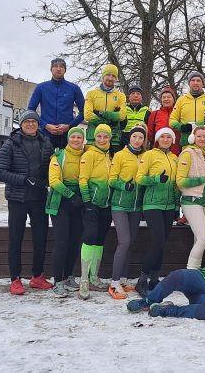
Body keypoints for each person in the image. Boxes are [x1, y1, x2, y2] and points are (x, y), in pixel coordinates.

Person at [0, 110, 54, 295]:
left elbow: (51, 169)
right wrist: (23, 179)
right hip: (17, 198)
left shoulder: (46, 143)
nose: (30, 124)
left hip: (39, 198)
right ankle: (15, 279)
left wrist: (47, 180)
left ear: (38, 124)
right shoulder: (11, 144)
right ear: (21, 124)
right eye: (27, 121)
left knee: (41, 238)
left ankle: (37, 276)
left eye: (34, 121)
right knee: (15, 239)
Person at [134, 126, 180, 297]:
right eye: (163, 137)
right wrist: (155, 179)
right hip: (152, 204)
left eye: (169, 137)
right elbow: (139, 178)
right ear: (157, 139)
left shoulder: (175, 158)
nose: (166, 140)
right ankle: (141, 280)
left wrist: (176, 206)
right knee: (158, 242)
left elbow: (176, 185)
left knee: (162, 244)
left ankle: (154, 279)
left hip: (169, 206)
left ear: (172, 140)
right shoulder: (149, 155)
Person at [45, 127, 86, 298]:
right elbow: (54, 181)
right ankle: (58, 281)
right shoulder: (59, 156)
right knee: (62, 242)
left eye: (79, 137)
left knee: (75, 242)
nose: (76, 140)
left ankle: (69, 276)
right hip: (61, 202)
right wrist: (71, 195)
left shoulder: (86, 156)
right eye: (73, 137)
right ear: (68, 139)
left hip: (79, 203)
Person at [107, 124, 147, 299]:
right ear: (129, 138)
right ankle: (114, 282)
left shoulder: (145, 156)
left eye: (140, 137)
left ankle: (123, 279)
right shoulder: (120, 155)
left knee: (130, 243)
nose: (137, 140)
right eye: (134, 137)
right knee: (124, 242)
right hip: (120, 205)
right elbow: (111, 180)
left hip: (136, 206)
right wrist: (124, 186)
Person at [78, 123, 113, 299]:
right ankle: (84, 279)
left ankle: (94, 277)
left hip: (106, 205)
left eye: (105, 136)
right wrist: (87, 202)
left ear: (110, 138)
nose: (102, 139)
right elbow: (82, 179)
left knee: (100, 240)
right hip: (92, 204)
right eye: (99, 136)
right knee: (90, 237)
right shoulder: (89, 154)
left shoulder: (110, 155)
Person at [176, 124, 205, 269]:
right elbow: (180, 181)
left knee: (198, 238)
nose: (202, 139)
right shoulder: (187, 153)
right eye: (199, 136)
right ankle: (191, 270)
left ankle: (196, 269)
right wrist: (203, 179)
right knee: (203, 237)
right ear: (192, 137)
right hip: (191, 201)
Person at [27, 58, 85, 149]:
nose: (58, 69)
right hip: (45, 135)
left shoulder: (74, 88)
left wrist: (70, 126)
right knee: (45, 158)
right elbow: (31, 110)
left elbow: (84, 111)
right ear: (51, 69)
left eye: (61, 66)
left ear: (65, 70)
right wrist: (45, 125)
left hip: (67, 137)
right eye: (55, 66)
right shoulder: (41, 88)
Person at [169, 71, 205, 158]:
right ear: (189, 83)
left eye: (198, 80)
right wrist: (182, 127)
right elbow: (172, 121)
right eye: (193, 80)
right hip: (187, 144)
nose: (195, 83)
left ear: (203, 84)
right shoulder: (181, 100)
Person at [83, 64, 127, 154]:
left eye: (113, 76)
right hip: (93, 138)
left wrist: (102, 113)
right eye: (108, 75)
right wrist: (108, 121)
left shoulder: (121, 96)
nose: (110, 78)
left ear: (116, 79)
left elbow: (122, 115)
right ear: (103, 76)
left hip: (114, 138)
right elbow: (87, 115)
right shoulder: (91, 94)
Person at [147, 86, 180, 154]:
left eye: (169, 97)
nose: (166, 99)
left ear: (173, 100)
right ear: (161, 100)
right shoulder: (154, 114)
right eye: (164, 97)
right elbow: (150, 133)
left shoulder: (179, 114)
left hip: (175, 151)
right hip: (158, 150)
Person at [119, 85, 151, 150]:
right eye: (133, 93)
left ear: (141, 97)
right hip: (124, 140)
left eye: (138, 94)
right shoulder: (123, 108)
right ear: (129, 97)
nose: (135, 96)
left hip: (140, 140)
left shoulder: (147, 110)